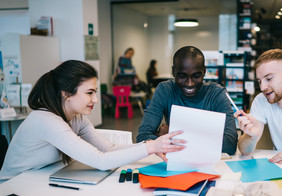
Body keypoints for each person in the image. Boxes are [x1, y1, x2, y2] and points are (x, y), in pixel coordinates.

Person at [0, 60, 186, 181]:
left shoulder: (76, 119)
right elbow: (101, 161)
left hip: (39, 180)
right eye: (89, 93)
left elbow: (109, 149)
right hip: (14, 189)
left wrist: (150, 144)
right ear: (66, 94)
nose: (95, 100)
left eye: (95, 92)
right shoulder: (46, 120)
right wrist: (151, 148)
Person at [136, 46, 238, 155]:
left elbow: (230, 145)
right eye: (182, 76)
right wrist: (209, 139)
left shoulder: (217, 94)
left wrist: (172, 134)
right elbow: (143, 138)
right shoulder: (165, 90)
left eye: (196, 76)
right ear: (173, 72)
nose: (190, 83)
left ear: (204, 71)